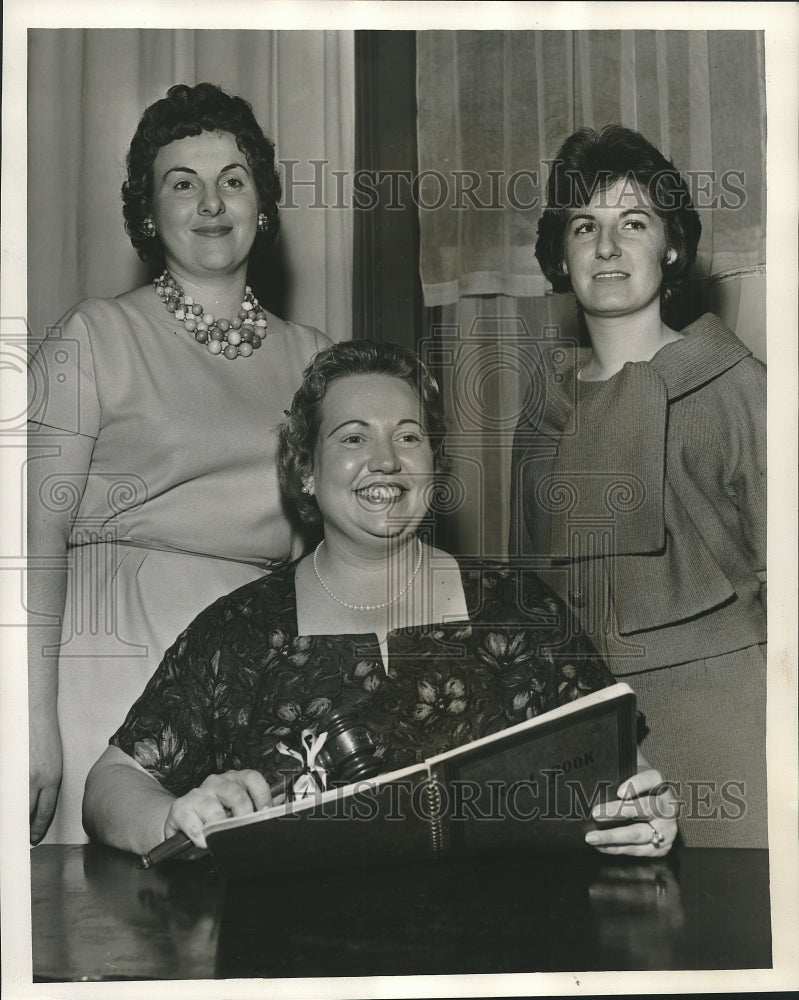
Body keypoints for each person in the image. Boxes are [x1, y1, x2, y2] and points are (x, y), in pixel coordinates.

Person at [84, 340, 677, 859]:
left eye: (409, 437)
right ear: (306, 470)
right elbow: (111, 783)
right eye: (353, 437)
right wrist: (172, 818)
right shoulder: (237, 631)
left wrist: (644, 815)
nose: (386, 460)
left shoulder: (520, 609)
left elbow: (622, 766)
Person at [27, 83, 330, 845]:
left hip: (249, 676)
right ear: (146, 212)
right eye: (181, 184)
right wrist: (29, 722)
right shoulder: (93, 336)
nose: (210, 203)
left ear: (263, 205)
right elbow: (29, 539)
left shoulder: (317, 360)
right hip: (105, 666)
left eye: (233, 180)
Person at [509, 125, 766, 848]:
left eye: (634, 223)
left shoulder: (737, 384)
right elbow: (525, 603)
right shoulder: (540, 410)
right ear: (560, 254)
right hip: (583, 722)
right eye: (583, 226)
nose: (607, 246)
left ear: (670, 247)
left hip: (727, 714)